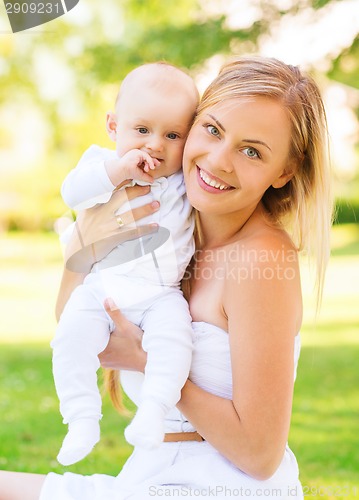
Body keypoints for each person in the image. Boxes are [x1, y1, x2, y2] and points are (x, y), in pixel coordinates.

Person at [0, 55, 332, 499]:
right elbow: (80, 323)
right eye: (212, 130)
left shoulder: (261, 259)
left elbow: (259, 454)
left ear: (285, 172)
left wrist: (146, 361)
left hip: (218, 486)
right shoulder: (174, 231)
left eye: (252, 151)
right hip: (156, 474)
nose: (218, 160)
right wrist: (82, 245)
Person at [51, 62, 200, 466]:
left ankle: (152, 413)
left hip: (161, 295)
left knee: (174, 344)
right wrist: (116, 171)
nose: (154, 145)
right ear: (113, 126)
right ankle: (81, 417)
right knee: (69, 340)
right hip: (103, 288)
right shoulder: (101, 164)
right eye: (142, 130)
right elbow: (72, 193)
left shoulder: (184, 180)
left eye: (172, 135)